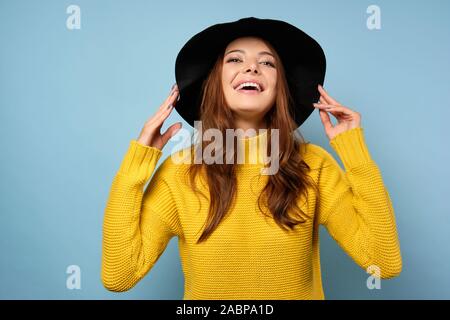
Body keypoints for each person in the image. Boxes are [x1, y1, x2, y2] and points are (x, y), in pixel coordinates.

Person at [101, 17, 402, 300]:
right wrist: (137, 163)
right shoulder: (179, 172)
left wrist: (354, 150)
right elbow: (120, 275)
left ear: (279, 87)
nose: (252, 68)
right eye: (235, 59)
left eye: (267, 62)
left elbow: (382, 262)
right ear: (214, 81)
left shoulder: (314, 165)